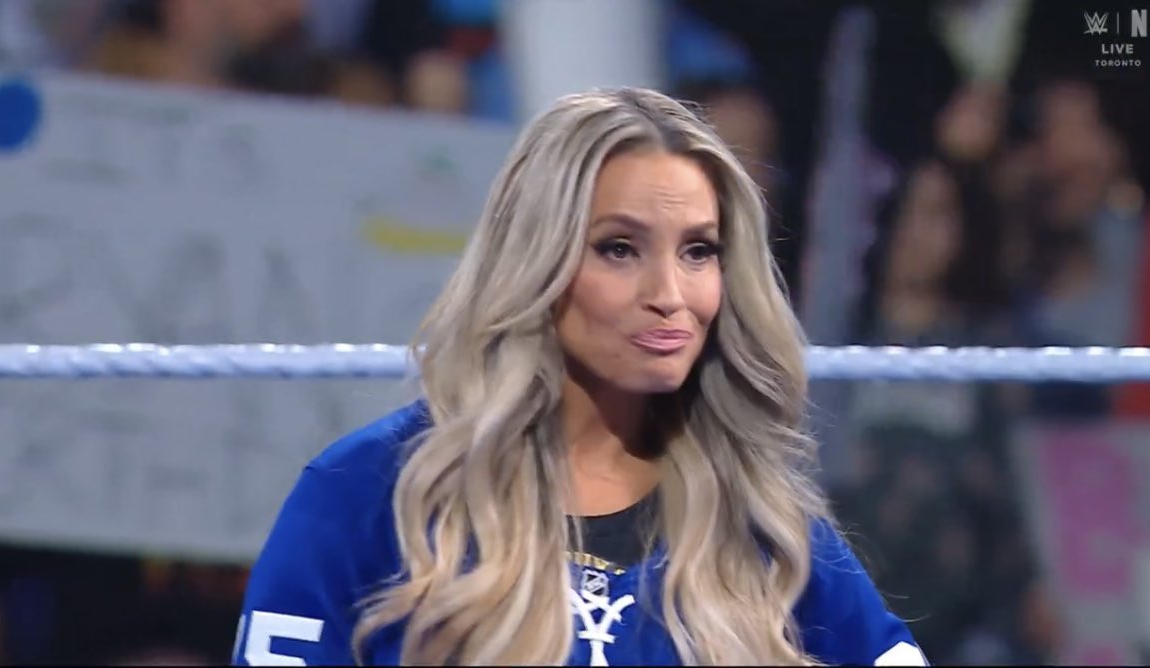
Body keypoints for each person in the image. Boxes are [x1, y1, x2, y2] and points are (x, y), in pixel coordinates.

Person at [232, 87, 927, 666]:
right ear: (537, 260)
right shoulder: (367, 492)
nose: (669, 294)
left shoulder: (762, 520)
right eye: (619, 249)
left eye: (698, 251)